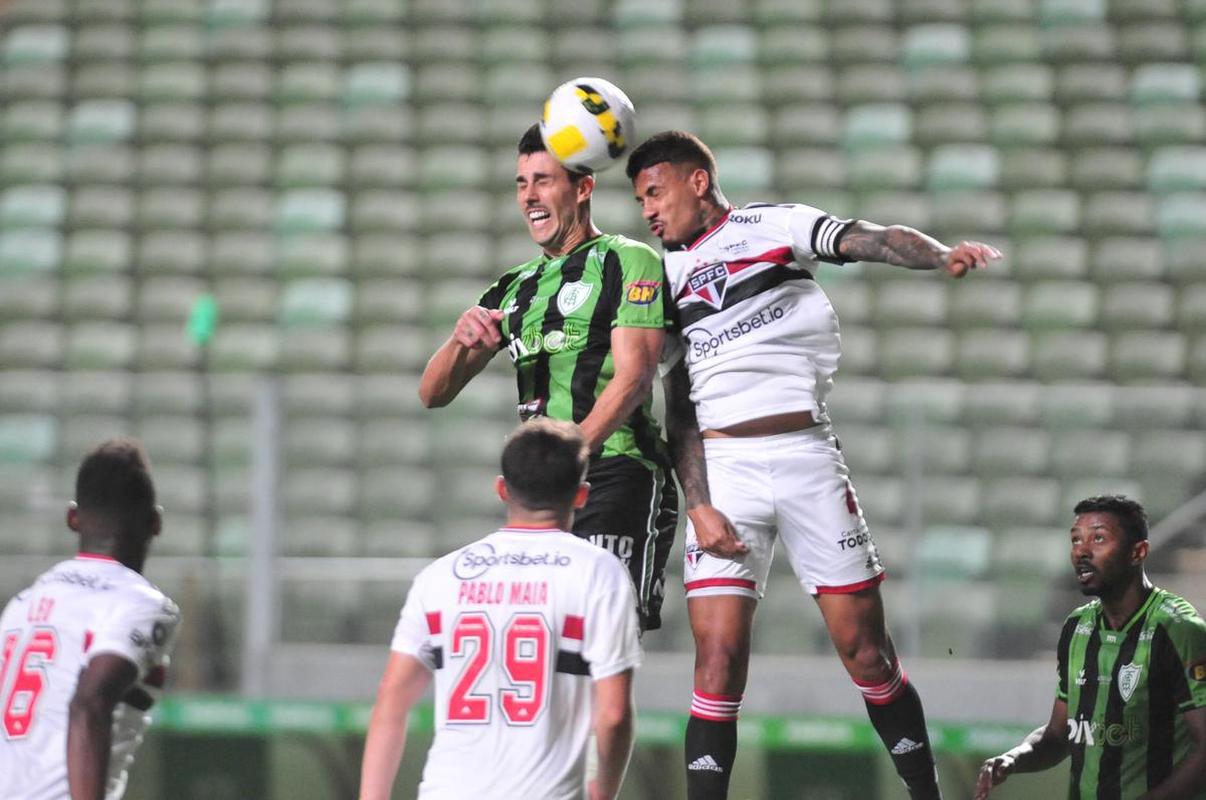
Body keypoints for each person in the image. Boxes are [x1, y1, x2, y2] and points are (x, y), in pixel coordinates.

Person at [625, 130, 1002, 800]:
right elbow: (676, 406)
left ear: (697, 182)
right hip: (726, 468)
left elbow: (875, 238)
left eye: (655, 193)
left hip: (806, 457)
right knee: (715, 661)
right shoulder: (662, 279)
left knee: (867, 653)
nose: (649, 211)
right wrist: (700, 503)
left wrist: (940, 256)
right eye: (641, 201)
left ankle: (927, 793)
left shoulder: (774, 226)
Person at [419, 123, 677, 632]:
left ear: (583, 188)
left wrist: (569, 456)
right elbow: (433, 393)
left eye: (543, 181)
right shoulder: (513, 287)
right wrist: (459, 340)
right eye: (521, 183)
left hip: (613, 474)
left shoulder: (629, 261)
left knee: (598, 641)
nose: (529, 197)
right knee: (543, 639)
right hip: (542, 490)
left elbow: (635, 376)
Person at [359, 418, 640, 800]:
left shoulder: (440, 576)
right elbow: (613, 715)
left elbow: (391, 700)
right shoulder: (598, 571)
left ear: (502, 490)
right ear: (581, 495)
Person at [975, 496, 1206, 800]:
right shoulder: (1077, 628)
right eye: (1076, 540)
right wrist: (1013, 759)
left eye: (1098, 538)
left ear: (1139, 552)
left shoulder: (1177, 629)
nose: (1081, 550)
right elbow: (1059, 735)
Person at [0, 439, 180, 800]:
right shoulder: (140, 604)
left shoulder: (22, 604)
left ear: (72, 518)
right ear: (155, 523)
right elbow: (90, 703)